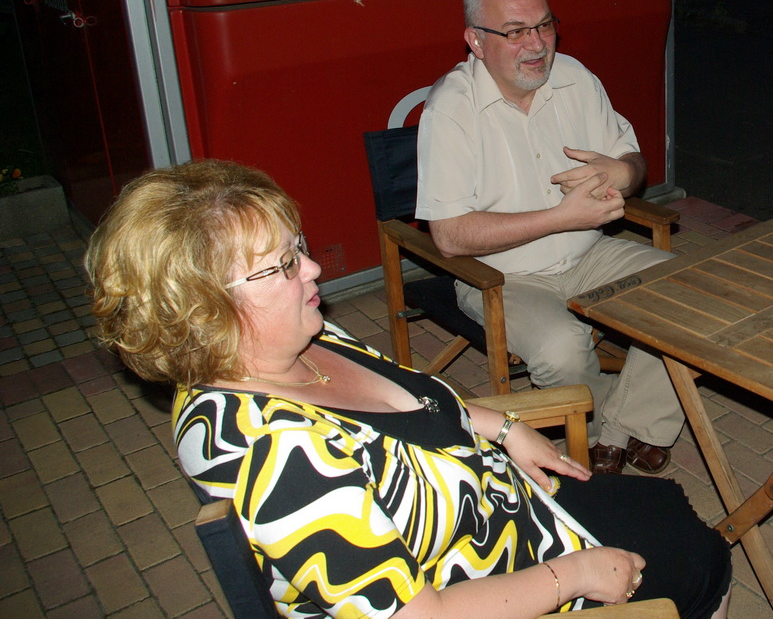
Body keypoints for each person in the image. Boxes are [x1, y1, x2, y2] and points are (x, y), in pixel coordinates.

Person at [86, 160, 732, 619]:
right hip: (500, 585)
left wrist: (503, 426)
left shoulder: (302, 341)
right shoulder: (275, 455)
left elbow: (414, 407)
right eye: (281, 265)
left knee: (670, 515)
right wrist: (575, 574)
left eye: (297, 247)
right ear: (204, 310)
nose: (311, 268)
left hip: (508, 513)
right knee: (704, 562)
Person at [417, 0, 683, 476]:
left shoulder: (575, 77)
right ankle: (606, 433)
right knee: (562, 348)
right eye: (516, 32)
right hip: (501, 275)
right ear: (476, 41)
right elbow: (448, 236)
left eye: (544, 25)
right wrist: (560, 217)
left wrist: (623, 172)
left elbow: (631, 160)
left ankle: (624, 427)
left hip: (589, 254)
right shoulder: (451, 109)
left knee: (686, 290)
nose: (537, 44)